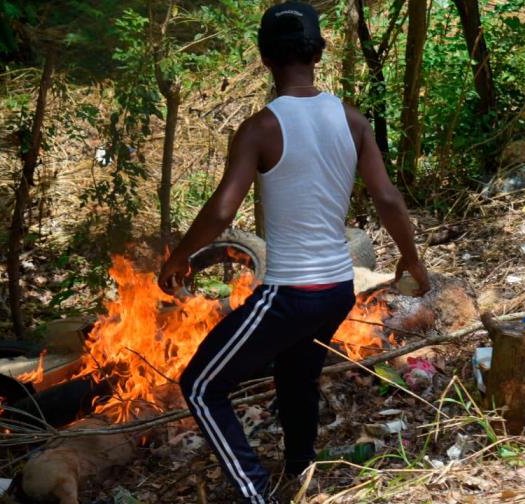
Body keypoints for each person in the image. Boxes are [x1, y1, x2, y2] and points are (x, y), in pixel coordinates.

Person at [157, 2, 430, 502]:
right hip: (336, 292)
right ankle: (300, 469)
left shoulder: (261, 128)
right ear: (319, 52)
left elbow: (221, 212)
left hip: (290, 294)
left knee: (199, 384)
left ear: (265, 58)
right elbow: (388, 198)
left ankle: (255, 492)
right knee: (295, 371)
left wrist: (179, 258)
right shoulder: (350, 118)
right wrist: (411, 258)